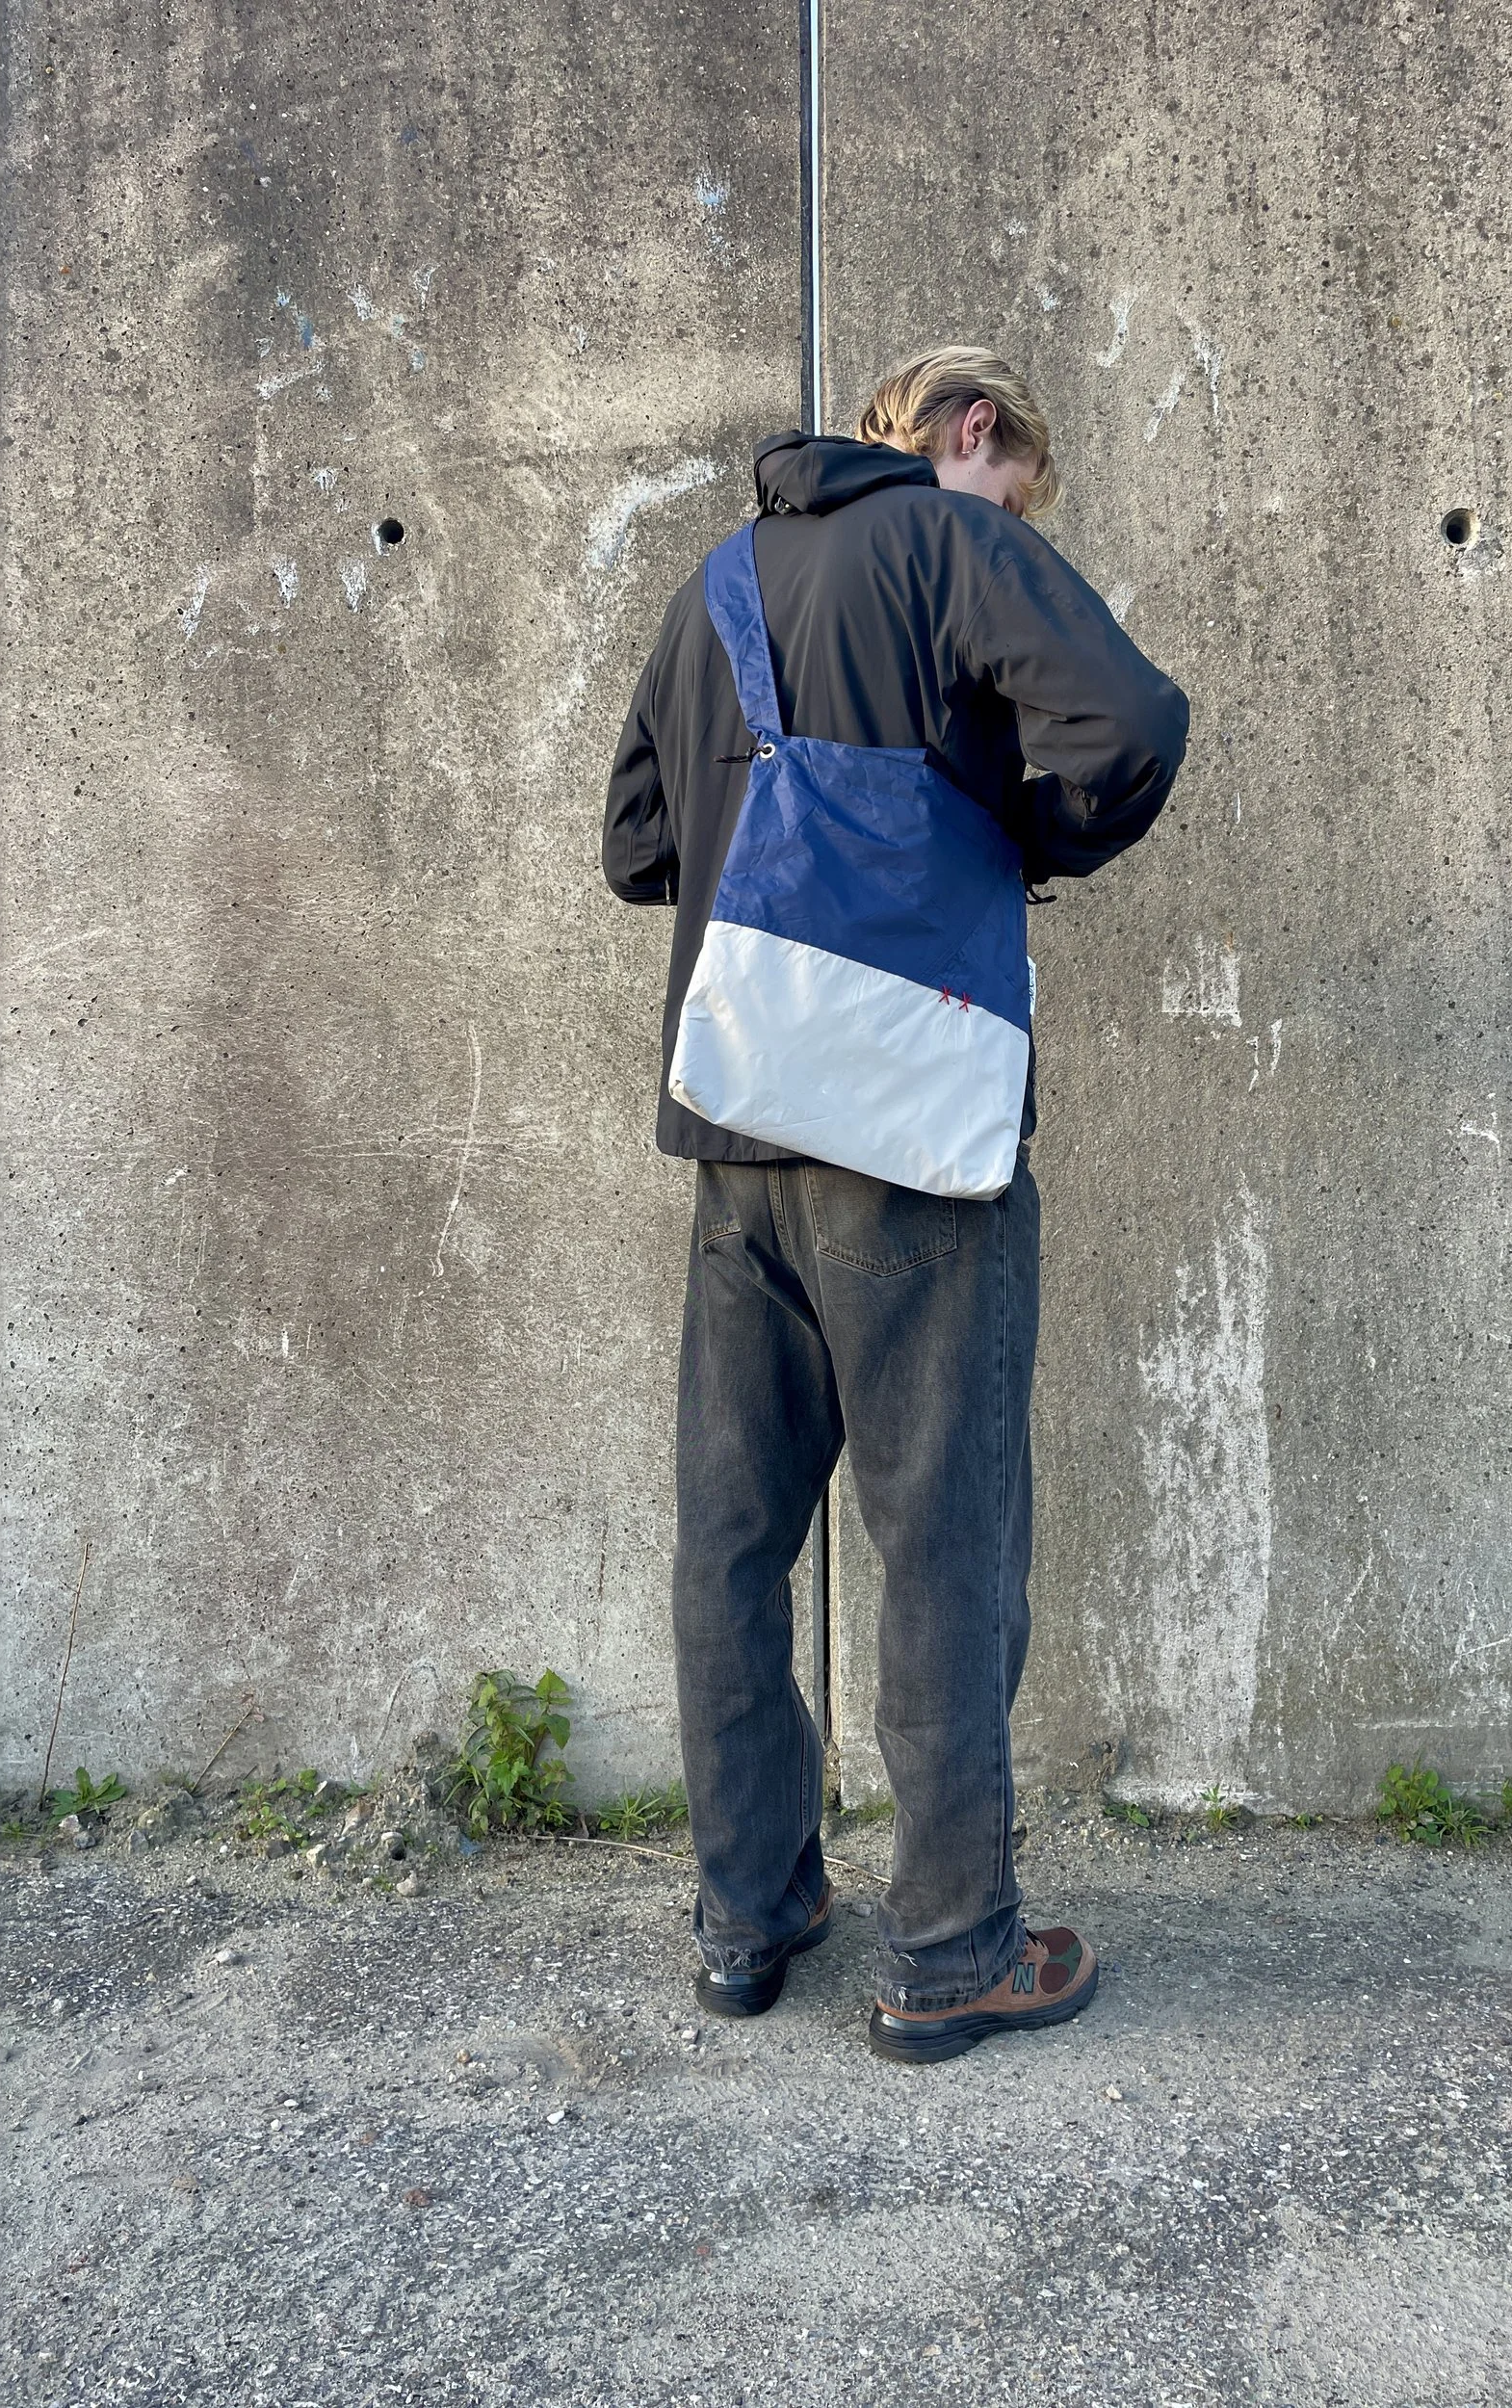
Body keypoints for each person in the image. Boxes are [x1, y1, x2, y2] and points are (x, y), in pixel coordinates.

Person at [603, 346, 1188, 2062]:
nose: (1017, 518)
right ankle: (949, 1953)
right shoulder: (951, 547)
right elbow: (1133, 724)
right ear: (971, 433)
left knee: (734, 1539)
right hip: (916, 1145)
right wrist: (1017, 829)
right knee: (940, 1542)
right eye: (1021, 490)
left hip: (738, 1133)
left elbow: (637, 848)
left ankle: (749, 1911)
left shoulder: (714, 583)